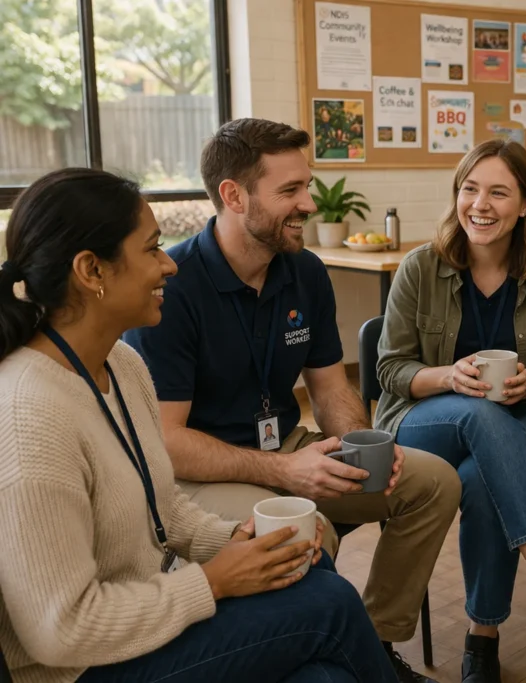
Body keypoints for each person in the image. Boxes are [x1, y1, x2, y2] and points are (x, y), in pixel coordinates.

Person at [0, 168, 398, 683]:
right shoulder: (28, 414)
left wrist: (239, 537)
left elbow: (162, 510)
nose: (169, 265)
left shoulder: (122, 365)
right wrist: (212, 582)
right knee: (330, 603)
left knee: (317, 623)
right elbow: (62, 631)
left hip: (142, 623)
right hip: (80, 669)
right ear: (91, 271)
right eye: (151, 250)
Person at [124, 118, 459, 683]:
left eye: (307, 185)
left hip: (289, 448)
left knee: (432, 483)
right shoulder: (173, 287)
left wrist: (359, 447)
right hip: (203, 472)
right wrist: (287, 471)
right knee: (307, 535)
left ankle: (371, 643)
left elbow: (329, 387)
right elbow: (168, 442)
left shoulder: (305, 271)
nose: (308, 202)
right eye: (289, 191)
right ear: (233, 196)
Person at [374, 139, 526, 681]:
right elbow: (389, 371)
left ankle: (483, 638)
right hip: (422, 420)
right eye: (470, 189)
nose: (480, 204)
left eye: (498, 192)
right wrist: (447, 377)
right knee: (478, 415)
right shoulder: (419, 268)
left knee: (483, 478)